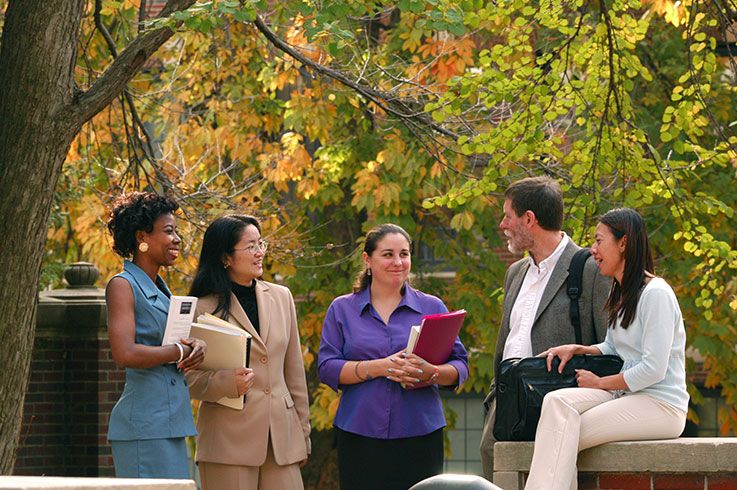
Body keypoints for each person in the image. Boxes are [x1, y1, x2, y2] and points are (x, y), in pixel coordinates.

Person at [524, 207, 689, 489]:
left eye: (599, 241)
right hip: (625, 395)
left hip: (661, 405)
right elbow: (614, 347)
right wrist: (578, 349)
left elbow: (653, 369)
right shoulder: (621, 292)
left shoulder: (657, 294)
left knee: (562, 434)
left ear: (623, 243)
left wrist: (600, 383)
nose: (592, 250)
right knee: (556, 402)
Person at [318, 223, 469, 490]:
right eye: (388, 254)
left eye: (404, 254)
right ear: (367, 260)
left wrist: (430, 372)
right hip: (359, 433)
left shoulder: (432, 306)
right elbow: (328, 368)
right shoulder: (342, 309)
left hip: (420, 434)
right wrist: (379, 367)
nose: (398, 262)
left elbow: (460, 366)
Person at [479, 176, 611, 480]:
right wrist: (493, 401)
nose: (502, 224)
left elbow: (609, 344)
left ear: (529, 219)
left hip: (560, 402)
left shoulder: (589, 268)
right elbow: (506, 345)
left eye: (508, 216)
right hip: (506, 406)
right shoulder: (515, 272)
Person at [186, 214, 311, 490]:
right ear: (225, 257)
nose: (260, 252)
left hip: (282, 440)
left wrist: (302, 433)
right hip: (227, 444)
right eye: (251, 246)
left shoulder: (282, 297)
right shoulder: (200, 308)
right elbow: (187, 379)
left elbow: (294, 373)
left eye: (261, 243)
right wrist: (226, 382)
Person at [105, 191, 206, 478]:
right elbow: (125, 353)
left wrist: (194, 345)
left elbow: (173, 344)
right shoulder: (122, 285)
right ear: (142, 237)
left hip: (171, 423)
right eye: (169, 231)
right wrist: (179, 352)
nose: (177, 239)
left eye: (177, 232)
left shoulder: (163, 291)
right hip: (144, 427)